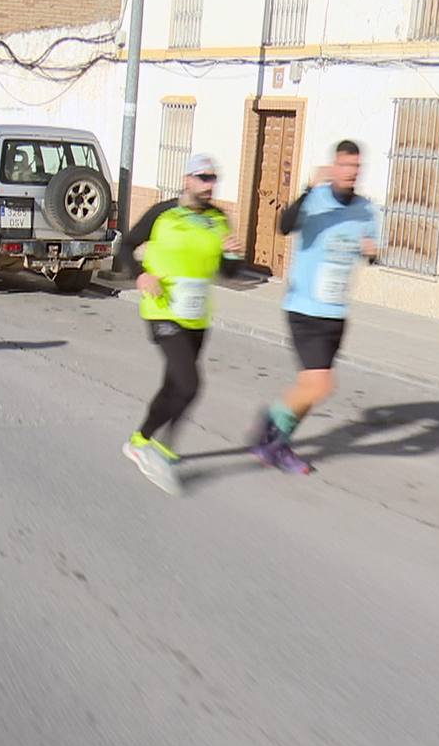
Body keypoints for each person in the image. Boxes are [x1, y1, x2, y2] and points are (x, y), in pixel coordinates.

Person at [114, 153, 244, 496]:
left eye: (213, 178)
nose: (209, 184)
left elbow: (228, 272)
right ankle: (163, 453)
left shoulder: (219, 219)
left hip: (197, 317)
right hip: (163, 310)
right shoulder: (162, 213)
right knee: (189, 384)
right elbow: (126, 246)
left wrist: (232, 254)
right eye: (203, 177)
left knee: (174, 386)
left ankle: (138, 441)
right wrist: (139, 276)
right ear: (186, 179)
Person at [251, 140, 382, 474]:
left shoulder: (366, 210)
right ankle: (271, 426)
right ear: (333, 166)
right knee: (321, 384)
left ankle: (278, 442)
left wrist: (370, 252)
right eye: (344, 166)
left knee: (311, 388)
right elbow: (284, 226)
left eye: (356, 168)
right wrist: (309, 188)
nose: (350, 173)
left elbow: (370, 254)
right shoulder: (316, 200)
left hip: (335, 312)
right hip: (304, 308)